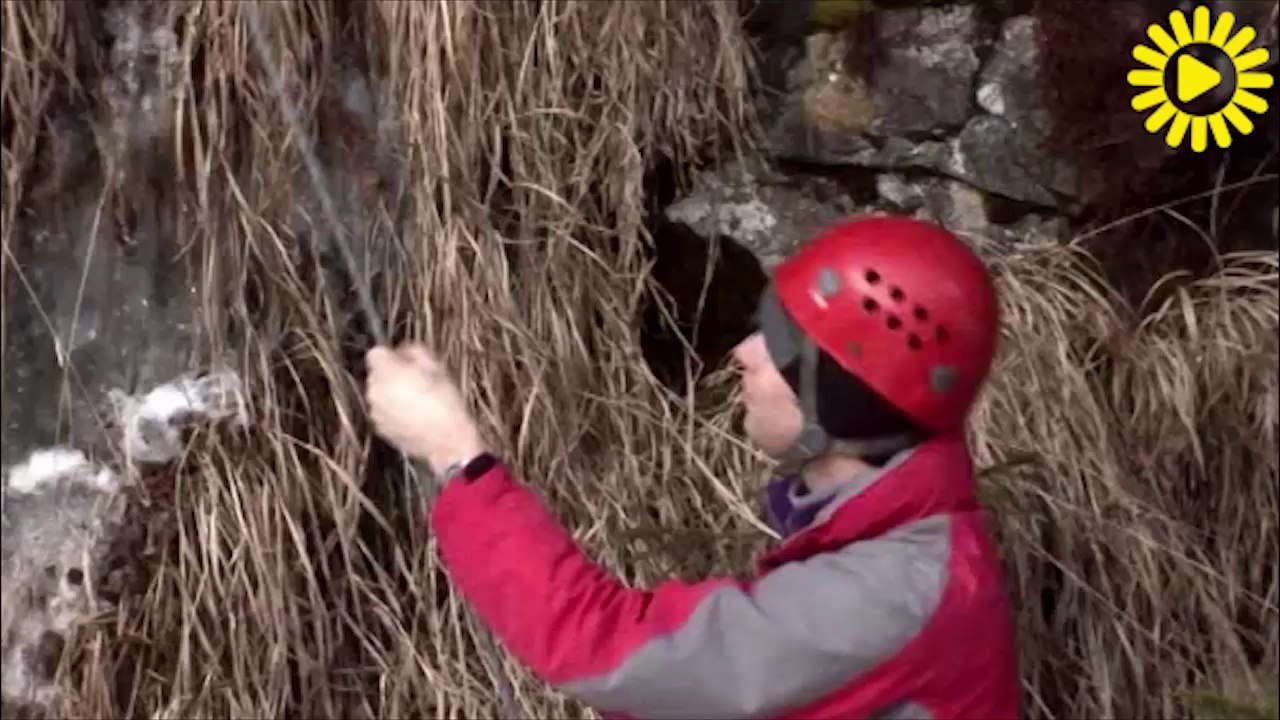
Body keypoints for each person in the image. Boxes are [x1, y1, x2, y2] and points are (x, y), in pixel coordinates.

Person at [364, 216, 1021, 720]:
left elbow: (606, 650)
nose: (744, 352)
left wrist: (454, 451)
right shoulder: (907, 546)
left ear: (836, 403)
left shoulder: (889, 594)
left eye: (781, 343)